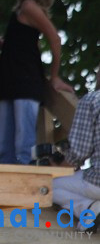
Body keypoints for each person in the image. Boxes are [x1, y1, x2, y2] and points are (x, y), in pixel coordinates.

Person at [0, 0, 73, 164]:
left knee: (21, 145)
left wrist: (54, 77)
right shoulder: (21, 10)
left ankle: (23, 189)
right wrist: (4, 44)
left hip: (25, 81)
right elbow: (25, 43)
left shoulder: (29, 6)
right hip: (11, 81)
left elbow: (54, 39)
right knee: (6, 145)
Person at [52, 90, 100, 232]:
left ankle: (89, 209)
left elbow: (79, 152)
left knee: (49, 188)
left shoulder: (93, 99)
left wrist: (57, 170)